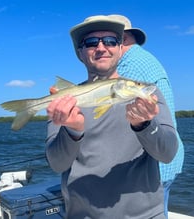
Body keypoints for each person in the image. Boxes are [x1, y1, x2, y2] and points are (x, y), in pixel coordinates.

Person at [45, 15, 179, 219]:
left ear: (119, 48)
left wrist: (145, 125)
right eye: (90, 42)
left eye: (110, 41)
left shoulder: (149, 95)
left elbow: (168, 153)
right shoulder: (66, 102)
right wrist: (72, 131)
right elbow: (57, 164)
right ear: (80, 53)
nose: (101, 47)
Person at [110, 14, 184, 218]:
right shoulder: (145, 59)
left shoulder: (127, 68)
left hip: (153, 165)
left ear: (123, 40)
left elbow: (111, 114)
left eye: (109, 41)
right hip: (166, 158)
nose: (103, 49)